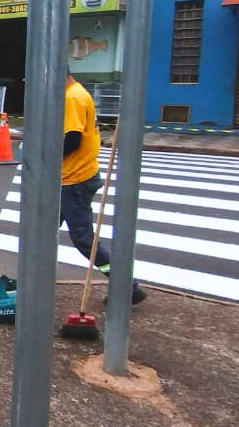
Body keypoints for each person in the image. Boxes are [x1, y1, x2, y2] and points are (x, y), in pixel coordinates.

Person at [62, 69, 147, 305]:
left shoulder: (72, 98)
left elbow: (72, 140)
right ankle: (33, 281)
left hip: (74, 179)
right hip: (69, 177)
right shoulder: (75, 93)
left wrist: (44, 155)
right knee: (41, 231)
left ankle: (127, 285)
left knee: (83, 238)